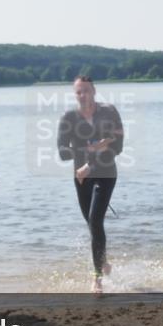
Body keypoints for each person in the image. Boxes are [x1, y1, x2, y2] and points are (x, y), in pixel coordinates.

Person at [57, 76, 124, 293]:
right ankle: (103, 261)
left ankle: (97, 279)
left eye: (86, 90)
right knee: (92, 224)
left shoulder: (109, 112)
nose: (82, 95)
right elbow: (62, 152)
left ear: (94, 91)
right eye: (78, 92)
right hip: (81, 177)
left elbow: (118, 147)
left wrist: (92, 163)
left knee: (95, 221)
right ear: (74, 94)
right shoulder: (69, 117)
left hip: (106, 173)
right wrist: (90, 149)